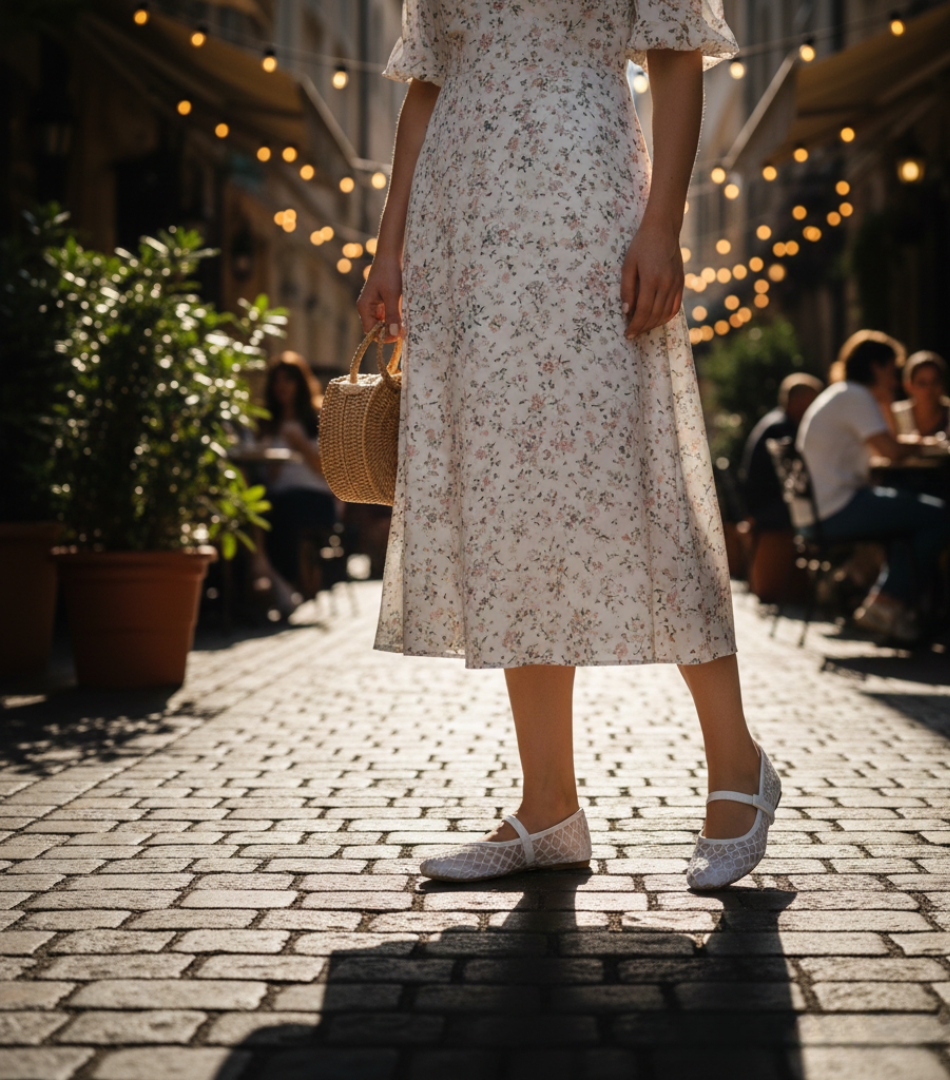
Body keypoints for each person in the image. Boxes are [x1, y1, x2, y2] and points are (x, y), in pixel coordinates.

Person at [356, 1, 779, 890]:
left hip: (585, 212)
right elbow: (425, 86)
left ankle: (736, 764)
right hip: (461, 233)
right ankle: (548, 807)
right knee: (510, 498)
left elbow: (675, 55)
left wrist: (663, 225)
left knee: (641, 482)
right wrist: (389, 247)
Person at [796, 331, 950, 642]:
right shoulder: (856, 396)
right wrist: (927, 444)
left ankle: (891, 604)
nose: (895, 380)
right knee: (941, 517)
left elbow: (887, 446)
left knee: (907, 516)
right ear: (876, 368)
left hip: (820, 508)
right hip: (837, 508)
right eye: (892, 370)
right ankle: (887, 603)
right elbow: (892, 451)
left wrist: (884, 404)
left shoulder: (842, 394)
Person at [252, 353, 337, 607]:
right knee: (263, 511)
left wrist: (300, 444)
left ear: (300, 383)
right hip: (277, 495)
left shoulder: (317, 418)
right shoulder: (267, 423)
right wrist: (272, 469)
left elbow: (329, 470)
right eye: (277, 381)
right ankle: (271, 582)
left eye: (288, 380)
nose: (282, 386)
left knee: (283, 510)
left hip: (314, 496)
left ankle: (285, 582)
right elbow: (265, 473)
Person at [740, 373, 823, 530]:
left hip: (765, 502)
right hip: (770, 506)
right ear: (797, 400)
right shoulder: (781, 428)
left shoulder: (777, 421)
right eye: (814, 401)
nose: (816, 409)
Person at [892, 351, 950, 441]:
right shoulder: (895, 416)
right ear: (908, 385)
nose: (929, 389)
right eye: (922, 383)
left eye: (935, 382)